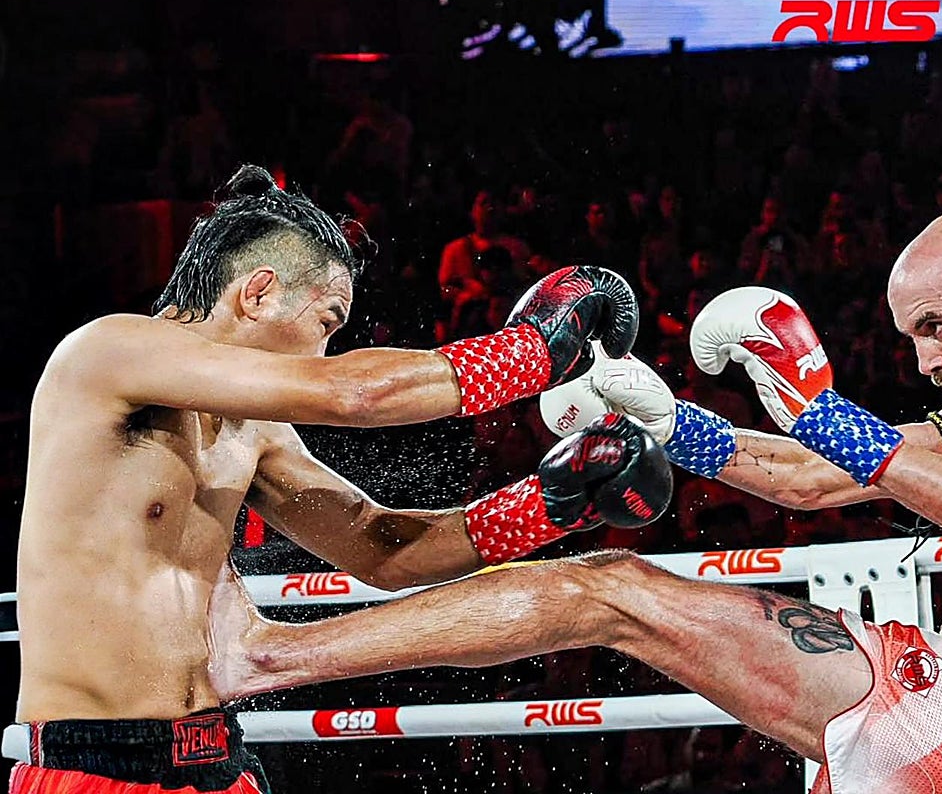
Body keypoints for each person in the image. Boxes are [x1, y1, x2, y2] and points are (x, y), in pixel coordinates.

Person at [206, 209, 942, 793]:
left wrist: (823, 410)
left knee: (607, 590)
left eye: (936, 327)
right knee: (608, 593)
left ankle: (273, 653)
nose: (927, 359)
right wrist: (669, 420)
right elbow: (810, 479)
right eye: (913, 338)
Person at [6, 163, 672, 794]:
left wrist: (550, 505)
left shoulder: (252, 430)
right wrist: (531, 352)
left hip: (220, 759)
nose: (326, 352)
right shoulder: (106, 353)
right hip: (94, 765)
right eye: (326, 322)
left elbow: (382, 549)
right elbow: (352, 393)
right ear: (257, 293)